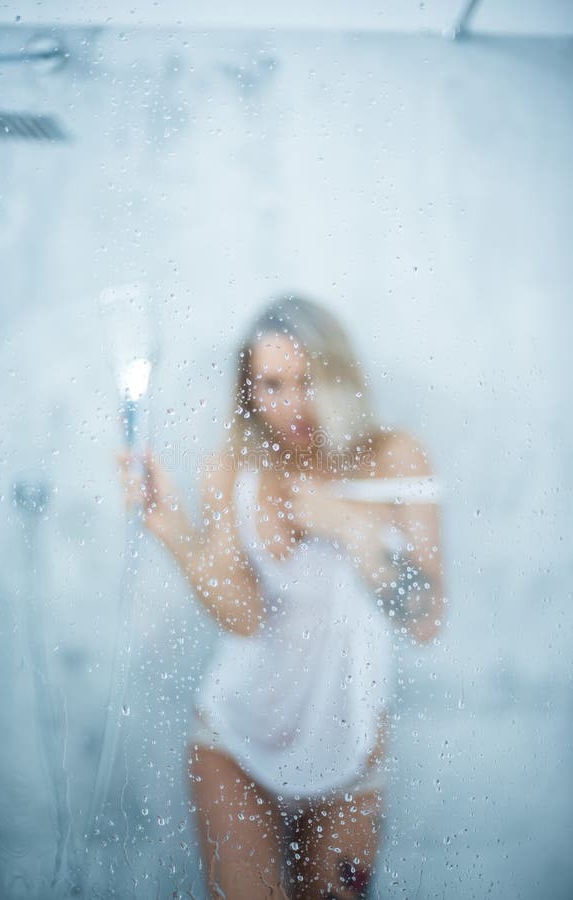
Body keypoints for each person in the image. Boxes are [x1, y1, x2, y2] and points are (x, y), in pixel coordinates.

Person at [117, 293, 446, 899]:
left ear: (339, 376)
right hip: (236, 743)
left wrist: (351, 527)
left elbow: (426, 618)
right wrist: (174, 533)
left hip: (352, 753)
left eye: (309, 380)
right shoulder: (233, 469)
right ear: (251, 390)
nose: (293, 404)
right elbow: (243, 616)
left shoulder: (393, 457)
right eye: (272, 385)